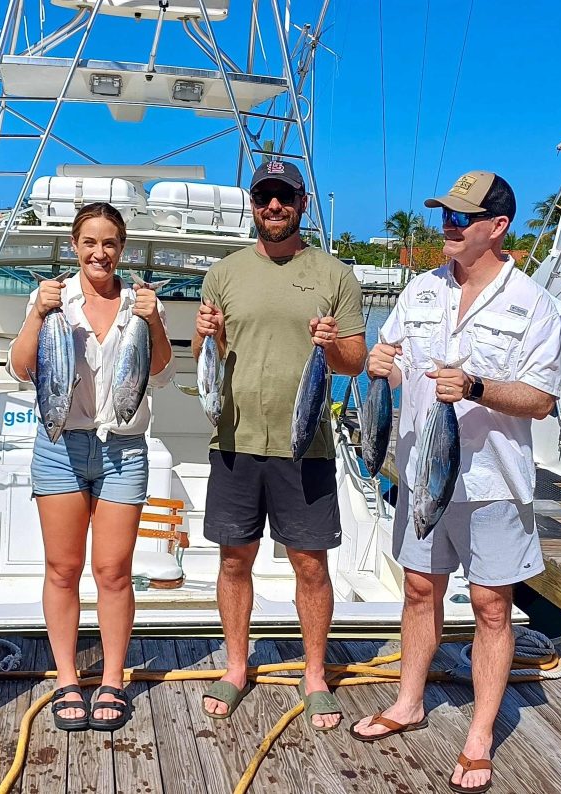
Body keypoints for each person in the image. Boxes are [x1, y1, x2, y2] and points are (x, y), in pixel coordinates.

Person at [349, 171, 561, 793]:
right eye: (446, 214)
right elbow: (394, 367)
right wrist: (380, 365)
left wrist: (475, 387)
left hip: (493, 482)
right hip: (423, 473)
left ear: (497, 227)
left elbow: (541, 399)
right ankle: (408, 701)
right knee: (419, 589)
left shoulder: (535, 305)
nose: (448, 225)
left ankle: (479, 736)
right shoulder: (421, 291)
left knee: (491, 606)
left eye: (461, 218)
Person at [193, 161, 366, 729]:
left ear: (301, 204)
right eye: (264, 196)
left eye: (284, 197)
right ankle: (236, 666)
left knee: (310, 565)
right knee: (233, 559)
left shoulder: (335, 275)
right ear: (253, 203)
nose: (274, 206)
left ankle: (314, 674)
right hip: (234, 441)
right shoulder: (223, 273)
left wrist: (331, 344)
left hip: (306, 445)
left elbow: (354, 361)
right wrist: (207, 334)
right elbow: (206, 355)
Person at [7, 202, 174, 732]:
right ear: (75, 246)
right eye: (89, 243)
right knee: (62, 569)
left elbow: (160, 371)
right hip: (61, 445)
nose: (99, 253)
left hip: (123, 448)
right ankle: (66, 679)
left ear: (121, 248)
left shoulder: (140, 303)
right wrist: (38, 313)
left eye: (109, 243)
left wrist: (153, 319)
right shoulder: (52, 298)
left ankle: (113, 679)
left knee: (113, 571)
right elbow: (21, 367)